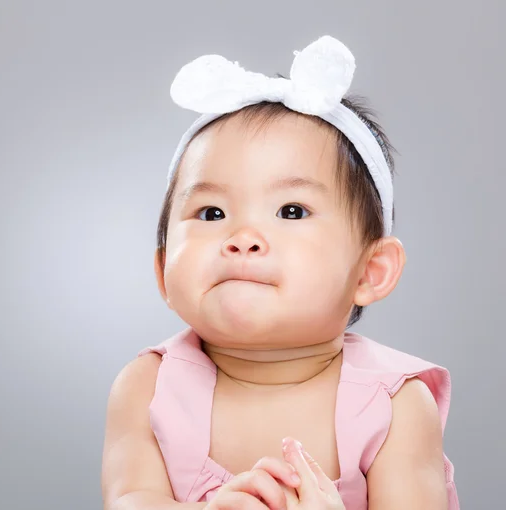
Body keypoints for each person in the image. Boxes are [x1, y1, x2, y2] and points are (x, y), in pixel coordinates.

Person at [102, 35, 459, 510]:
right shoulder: (148, 386)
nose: (243, 236)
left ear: (370, 272)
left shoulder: (395, 404)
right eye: (211, 213)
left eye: (291, 211)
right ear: (163, 271)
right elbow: (129, 498)